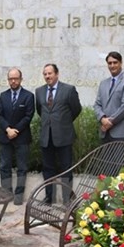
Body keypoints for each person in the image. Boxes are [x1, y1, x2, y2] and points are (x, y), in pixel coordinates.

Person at [35, 63, 82, 204]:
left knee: (66, 168)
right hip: (46, 137)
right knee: (48, 169)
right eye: (45, 74)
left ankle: (67, 199)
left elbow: (76, 109)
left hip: (64, 136)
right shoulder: (39, 91)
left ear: (57, 74)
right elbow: (40, 111)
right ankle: (49, 198)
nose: (47, 76)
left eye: (50, 73)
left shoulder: (68, 90)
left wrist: (63, 123)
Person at [0, 67, 35, 205]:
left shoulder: (28, 96)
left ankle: (19, 196)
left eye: (16, 78)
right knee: (5, 166)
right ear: (8, 80)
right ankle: (6, 194)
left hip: (22, 137)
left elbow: (28, 116)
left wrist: (15, 130)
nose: (13, 81)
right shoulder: (3, 95)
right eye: (11, 79)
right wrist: (7, 129)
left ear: (21, 79)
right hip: (5, 136)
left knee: (22, 167)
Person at [93, 51, 124, 144]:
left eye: (115, 62)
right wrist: (102, 119)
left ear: (121, 63)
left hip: (122, 134)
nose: (112, 65)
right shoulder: (103, 83)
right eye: (109, 63)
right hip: (105, 133)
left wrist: (110, 122)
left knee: (123, 159)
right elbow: (97, 104)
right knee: (105, 159)